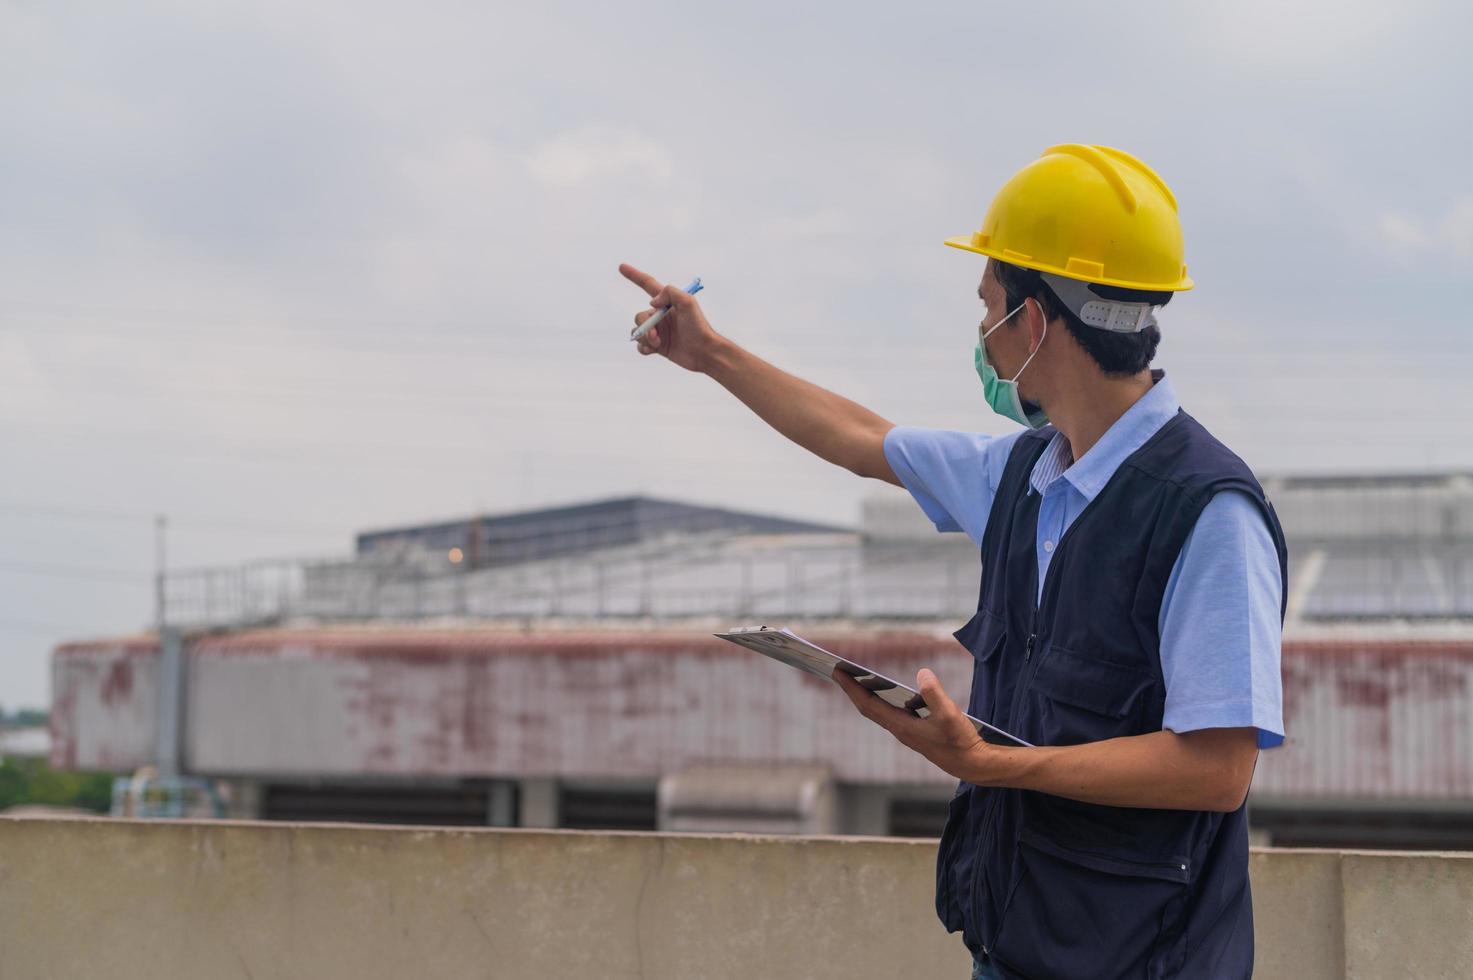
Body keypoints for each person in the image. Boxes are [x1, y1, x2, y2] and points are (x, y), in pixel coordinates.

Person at [620, 143, 1287, 980]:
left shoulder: (1206, 510)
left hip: (1143, 964)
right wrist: (710, 354)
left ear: (1035, 322)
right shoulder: (1022, 474)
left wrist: (987, 763)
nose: (981, 332)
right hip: (1010, 948)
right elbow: (861, 439)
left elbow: (1217, 769)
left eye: (988, 305)